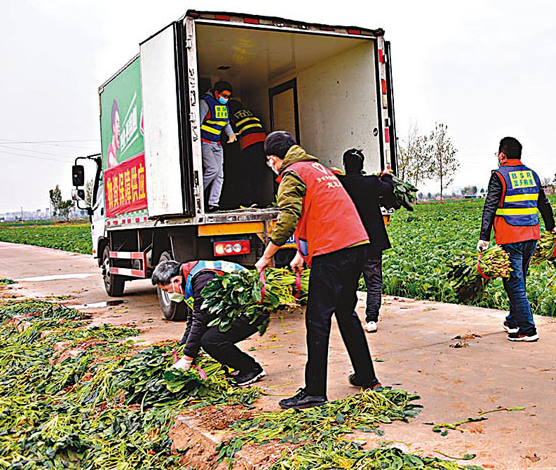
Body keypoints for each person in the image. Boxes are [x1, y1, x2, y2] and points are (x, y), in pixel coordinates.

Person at [255, 131, 380, 409]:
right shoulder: (318, 168)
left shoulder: (291, 174)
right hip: (356, 244)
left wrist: (266, 257)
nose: (271, 166)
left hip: (333, 251)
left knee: (317, 319)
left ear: (274, 158)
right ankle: (367, 377)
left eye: (270, 161)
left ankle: (314, 391)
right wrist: (301, 252)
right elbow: (321, 211)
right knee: (345, 313)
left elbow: (288, 218)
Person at [478, 137, 556, 342]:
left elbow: (490, 206)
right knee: (519, 278)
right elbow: (544, 203)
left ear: (502, 155)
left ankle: (527, 328)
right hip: (531, 235)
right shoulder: (532, 174)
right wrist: (551, 227)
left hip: (510, 236)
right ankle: (513, 321)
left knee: (514, 283)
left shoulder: (499, 175)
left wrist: (484, 237)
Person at [151, 259, 266, 386]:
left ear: (176, 280)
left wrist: (187, 358)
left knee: (210, 340)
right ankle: (237, 365)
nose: (170, 294)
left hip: (253, 311)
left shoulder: (202, 280)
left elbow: (200, 321)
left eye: (168, 290)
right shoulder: (190, 279)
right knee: (204, 337)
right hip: (237, 310)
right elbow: (192, 319)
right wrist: (183, 347)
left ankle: (251, 369)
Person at [336, 148, 397, 333]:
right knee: (374, 280)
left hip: (349, 242)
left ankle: (347, 316)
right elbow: (388, 190)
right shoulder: (372, 183)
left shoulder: (340, 184)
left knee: (348, 281)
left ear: (345, 165)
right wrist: (386, 176)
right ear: (362, 166)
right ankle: (371, 319)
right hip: (372, 241)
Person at [227, 100, 273, 208]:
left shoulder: (232, 117)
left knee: (245, 174)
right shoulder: (251, 114)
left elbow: (232, 135)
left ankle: (249, 201)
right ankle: (257, 200)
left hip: (249, 146)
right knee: (258, 174)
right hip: (263, 145)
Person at [199, 81, 238, 212]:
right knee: (213, 169)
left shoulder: (224, 106)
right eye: (224, 95)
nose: (226, 99)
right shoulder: (205, 103)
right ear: (216, 93)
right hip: (205, 143)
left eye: (228, 96)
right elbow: (196, 123)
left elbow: (226, 123)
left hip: (217, 144)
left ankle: (213, 203)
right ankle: (197, 195)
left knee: (220, 174)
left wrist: (231, 134)